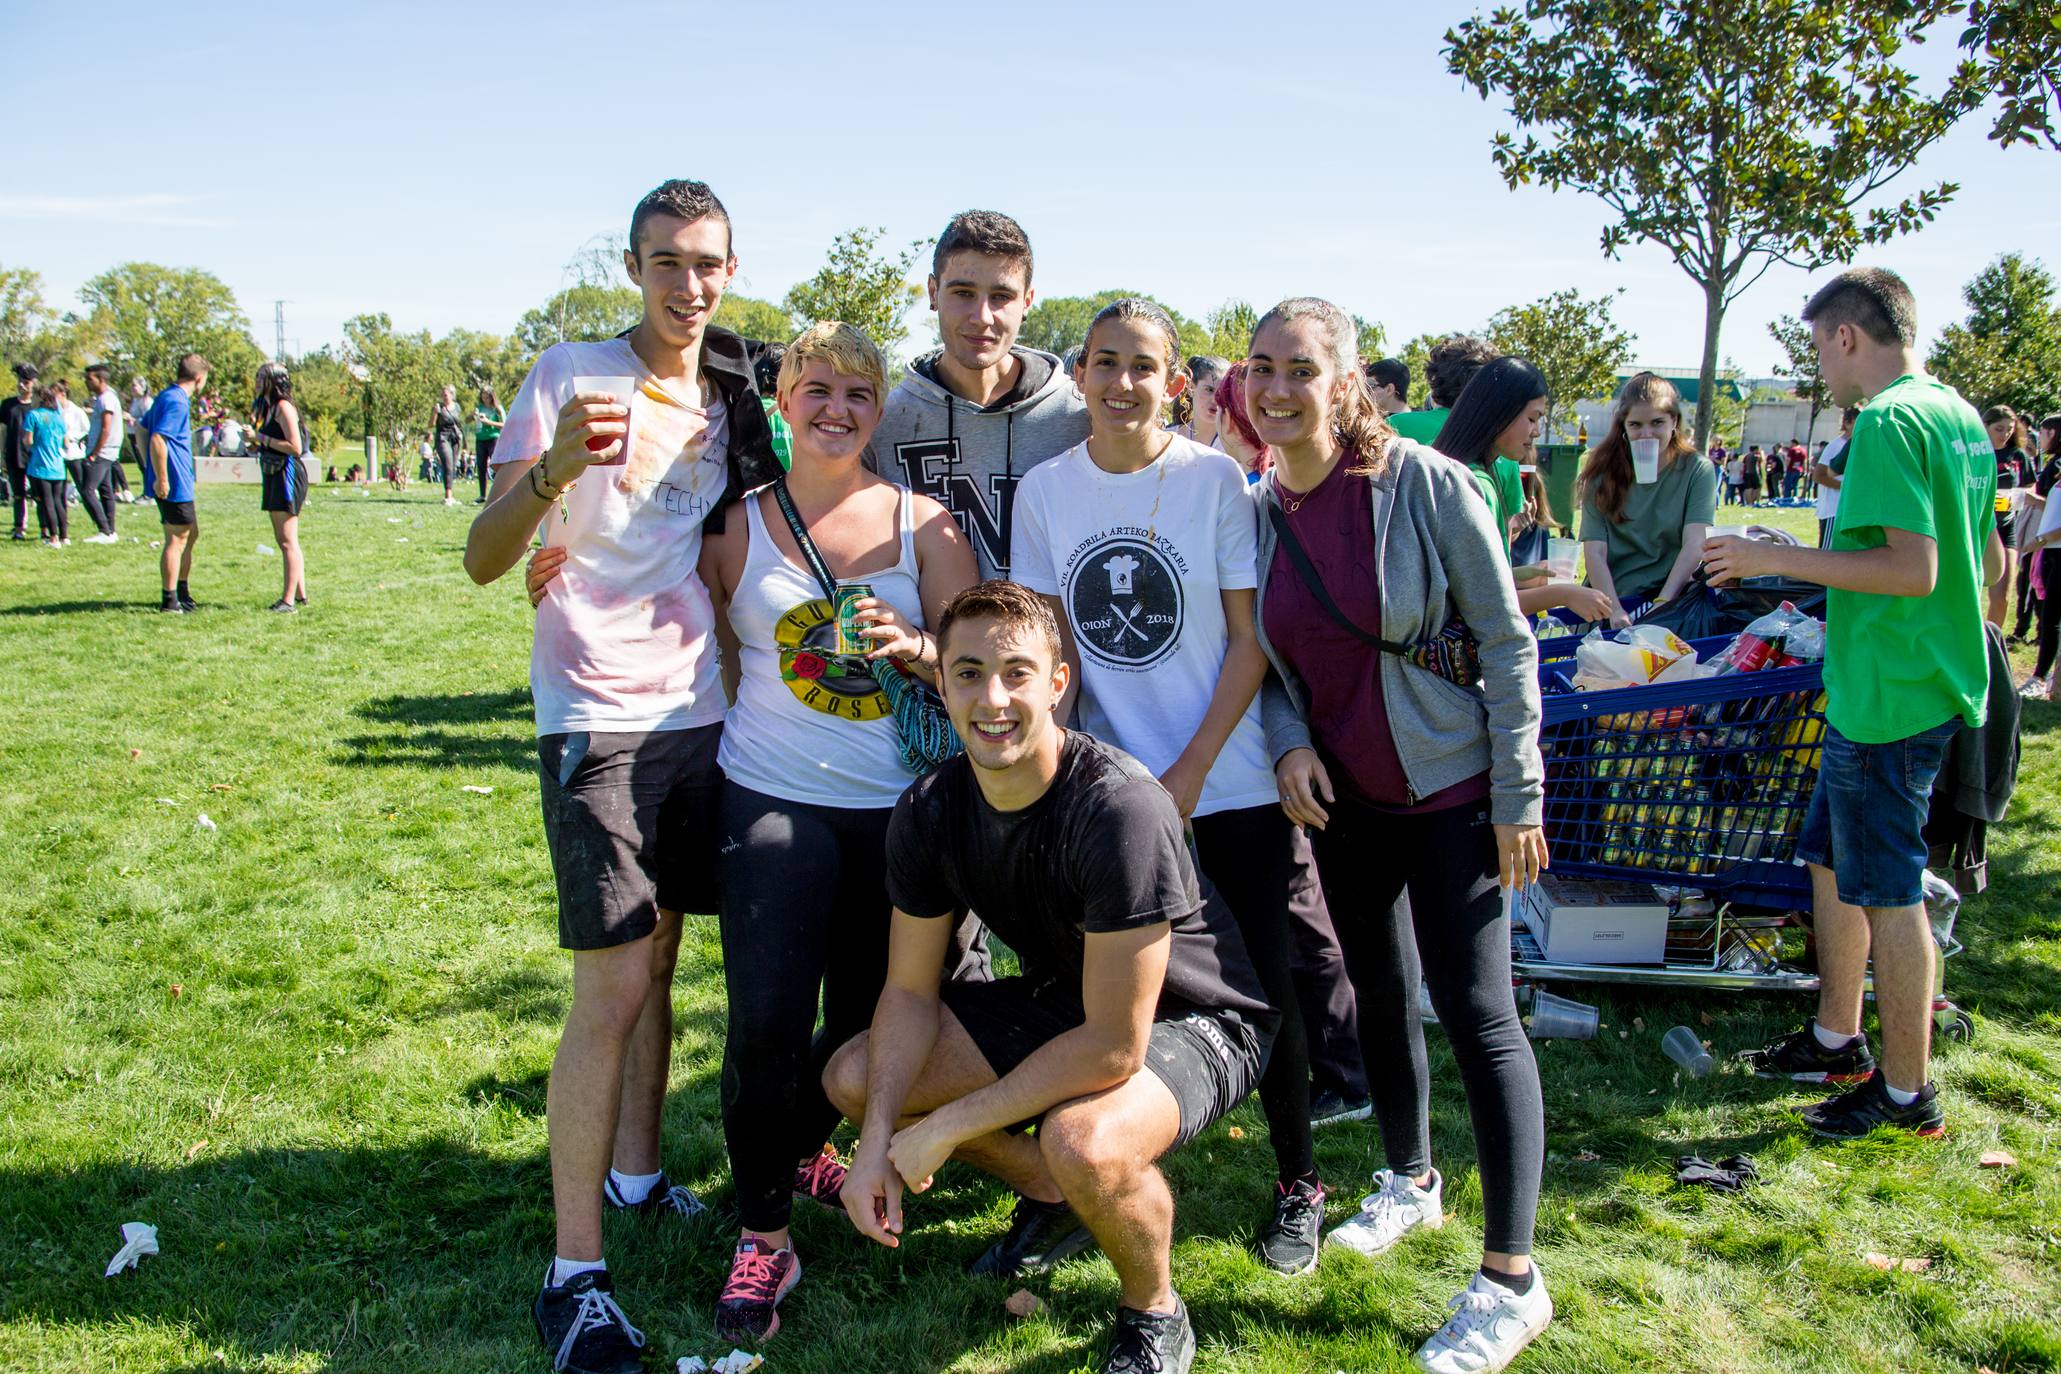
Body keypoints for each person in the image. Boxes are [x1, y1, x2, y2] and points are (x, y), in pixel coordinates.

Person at [462, 178, 782, 1374]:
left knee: (660, 953)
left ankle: (640, 1180)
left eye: (706, 263)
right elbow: (484, 560)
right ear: (634, 267)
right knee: (606, 992)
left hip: (707, 713)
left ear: (730, 269)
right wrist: (549, 480)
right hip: (596, 718)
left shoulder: (735, 391)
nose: (687, 285)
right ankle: (575, 1274)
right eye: (665, 263)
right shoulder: (569, 371)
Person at [823, 580, 1277, 1374]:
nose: (991, 698)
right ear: (941, 681)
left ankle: (1153, 1308)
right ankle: (1050, 1191)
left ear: (1057, 683)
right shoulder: (930, 808)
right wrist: (872, 1144)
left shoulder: (1119, 810)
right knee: (858, 1077)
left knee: (1086, 1141)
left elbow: (1110, 1047)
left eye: (1015, 673)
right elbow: (906, 992)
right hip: (1064, 996)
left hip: (1199, 1019)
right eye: (966, 673)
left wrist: (946, 1127)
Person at [1246, 297, 1552, 1373]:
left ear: (1344, 383)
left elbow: (1507, 645)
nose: (1276, 388)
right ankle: (1408, 1177)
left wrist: (1520, 794)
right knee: (1376, 988)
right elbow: (1270, 664)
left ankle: (1513, 1279)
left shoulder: (1426, 486)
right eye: (1261, 366)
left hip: (1458, 789)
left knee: (1477, 1012)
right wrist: (1287, 742)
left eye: (1300, 368)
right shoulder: (1257, 507)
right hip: (1346, 798)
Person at [1015, 298, 1330, 1275]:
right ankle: (1072, 1184)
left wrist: (1189, 771)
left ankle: (1299, 1181)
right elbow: (1047, 644)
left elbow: (1249, 644)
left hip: (1224, 779)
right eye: (1103, 364)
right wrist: (1070, 769)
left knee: (1263, 985)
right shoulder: (1045, 491)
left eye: (1142, 366)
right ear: (1080, 375)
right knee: (1088, 998)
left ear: (1175, 384)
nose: (1121, 384)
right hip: (1105, 791)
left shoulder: (1216, 487)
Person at [690, 321, 975, 1343]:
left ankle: (800, 1151)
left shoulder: (927, 527)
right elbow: (694, 634)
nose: (836, 410)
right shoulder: (737, 525)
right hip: (772, 798)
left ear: (878, 409)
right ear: (783, 393)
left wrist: (921, 646)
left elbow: (976, 664)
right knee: (764, 1022)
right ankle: (764, 1229)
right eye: (817, 388)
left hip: (900, 817)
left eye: (859, 394)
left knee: (861, 1031)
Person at [1715, 267, 2002, 1139]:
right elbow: (1985, 565)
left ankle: (1908, 1094)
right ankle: (1836, 1037)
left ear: (1845, 335)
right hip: (1903, 683)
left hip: (1892, 698)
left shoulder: (1883, 420)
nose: (1819, 367)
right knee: (1831, 866)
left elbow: (1912, 572)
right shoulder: (1955, 414)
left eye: (1815, 345)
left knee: (1888, 890)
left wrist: (1783, 561)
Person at [865, 210, 1088, 582]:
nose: (982, 316)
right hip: (930, 639)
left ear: (1027, 302)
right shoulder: (885, 422)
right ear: (934, 292)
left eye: (1001, 296)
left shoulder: (1078, 419)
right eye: (963, 293)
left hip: (1051, 639)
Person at [1433, 357, 1621, 623]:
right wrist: (1564, 595)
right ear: (1500, 412)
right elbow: (1487, 603)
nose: (1536, 432)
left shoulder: (1452, 468)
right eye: (1532, 418)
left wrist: (1521, 574)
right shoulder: (1476, 485)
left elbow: (1465, 579)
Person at [1575, 373, 1718, 620]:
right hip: (1610, 599)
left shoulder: (1697, 469)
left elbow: (1694, 543)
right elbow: (1594, 553)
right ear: (1624, 427)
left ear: (1674, 421)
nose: (1646, 433)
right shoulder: (1601, 473)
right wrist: (1614, 609)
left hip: (1668, 599)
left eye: (1657, 422)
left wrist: (1664, 602)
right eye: (1635, 425)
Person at [142, 354, 209, 613]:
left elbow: (141, 428)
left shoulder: (166, 395)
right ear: (199, 378)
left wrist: (148, 466)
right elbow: (157, 438)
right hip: (174, 481)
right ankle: (170, 601)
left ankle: (182, 591)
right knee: (177, 539)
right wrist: (161, 476)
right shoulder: (176, 401)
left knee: (190, 533)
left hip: (178, 478)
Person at [252, 366, 309, 610]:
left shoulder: (284, 407)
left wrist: (261, 438)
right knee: (284, 539)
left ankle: (287, 601)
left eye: (260, 377)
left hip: (287, 475)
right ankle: (300, 595)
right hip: (274, 473)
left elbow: (296, 447)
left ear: (273, 381)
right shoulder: (266, 408)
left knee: (287, 541)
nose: (256, 381)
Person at [2017, 415, 2061, 696]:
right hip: (2052, 550)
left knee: (2051, 616)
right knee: (2049, 615)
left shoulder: (2057, 464)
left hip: (2055, 548)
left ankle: (2040, 678)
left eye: (2043, 433)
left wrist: (2042, 539)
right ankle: (2047, 679)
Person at [1983, 405, 2033, 629]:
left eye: (2010, 430)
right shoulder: (1975, 452)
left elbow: (2029, 489)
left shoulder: (2018, 455)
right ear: (1985, 426)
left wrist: (2007, 500)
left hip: (2006, 527)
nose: (2004, 435)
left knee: (2002, 598)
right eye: (1999, 429)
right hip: (1978, 527)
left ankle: (1992, 645)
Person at [19, 384, 70, 545]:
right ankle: (64, 536)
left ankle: (53, 537)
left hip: (41, 465)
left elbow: (28, 440)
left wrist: (28, 444)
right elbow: (66, 443)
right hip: (58, 466)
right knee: (58, 502)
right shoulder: (59, 416)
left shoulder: (34, 415)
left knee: (47, 501)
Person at [80, 364, 123, 541]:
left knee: (87, 490)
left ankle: (104, 530)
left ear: (101, 379)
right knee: (105, 490)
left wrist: (94, 453)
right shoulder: (104, 398)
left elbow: (106, 428)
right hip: (106, 452)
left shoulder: (106, 399)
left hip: (103, 452)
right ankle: (111, 531)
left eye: (90, 379)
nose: (86, 382)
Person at [3, 362, 39, 539]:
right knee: (18, 494)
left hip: (35, 456)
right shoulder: (8, 404)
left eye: (26, 381)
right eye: (20, 380)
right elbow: (3, 430)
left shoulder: (38, 406)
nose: (22, 384)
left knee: (39, 494)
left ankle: (46, 528)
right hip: (13, 454)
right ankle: (19, 527)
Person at [1813, 408, 1857, 548]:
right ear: (1848, 423)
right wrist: (1845, 488)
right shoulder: (1836, 445)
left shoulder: (1855, 444)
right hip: (1832, 510)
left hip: (1845, 511)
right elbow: (1818, 476)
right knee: (1827, 554)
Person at [1167, 353, 1227, 447]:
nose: (1215, 400)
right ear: (1191, 388)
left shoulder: (1235, 446)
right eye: (1209, 390)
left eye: (1222, 393)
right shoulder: (1168, 438)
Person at [55, 380, 89, 507]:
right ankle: (62, 514)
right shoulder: (54, 412)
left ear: (63, 394)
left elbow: (85, 430)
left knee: (82, 484)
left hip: (74, 454)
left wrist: (70, 437)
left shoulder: (77, 411)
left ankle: (94, 513)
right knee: (59, 487)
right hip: (59, 454)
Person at [431, 384, 465, 504]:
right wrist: (435, 413)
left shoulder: (457, 407)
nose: (444, 397)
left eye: (446, 394)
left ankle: (450, 495)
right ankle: (448, 495)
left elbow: (460, 423)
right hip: (442, 437)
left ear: (452, 395)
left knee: (453, 465)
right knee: (448, 463)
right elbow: (431, 424)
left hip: (455, 438)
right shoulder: (438, 407)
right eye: (442, 395)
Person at [474, 386, 505, 503]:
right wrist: (474, 416)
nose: (485, 398)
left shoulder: (497, 409)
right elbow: (467, 420)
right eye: (483, 396)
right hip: (480, 439)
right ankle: (482, 495)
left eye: (487, 396)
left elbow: (504, 424)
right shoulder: (479, 408)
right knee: (481, 467)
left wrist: (488, 422)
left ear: (492, 396)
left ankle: (499, 494)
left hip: (493, 439)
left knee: (496, 467)